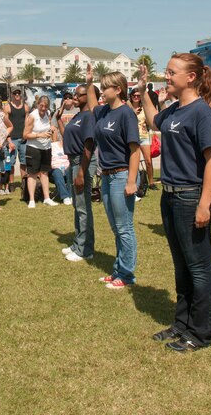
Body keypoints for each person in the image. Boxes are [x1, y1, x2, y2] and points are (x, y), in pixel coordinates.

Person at [138, 57, 211, 352]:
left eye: (172, 73)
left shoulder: (202, 113)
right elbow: (152, 120)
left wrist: (204, 204)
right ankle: (182, 324)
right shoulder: (175, 110)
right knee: (181, 266)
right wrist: (143, 88)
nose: (167, 76)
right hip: (170, 196)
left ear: (191, 77)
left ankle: (200, 333)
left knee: (198, 268)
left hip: (190, 197)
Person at [86, 67, 140, 289]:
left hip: (121, 175)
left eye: (105, 86)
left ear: (118, 89)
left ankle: (127, 274)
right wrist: (89, 82)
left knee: (124, 227)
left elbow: (135, 150)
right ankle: (118, 269)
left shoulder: (126, 114)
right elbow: (91, 102)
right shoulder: (103, 111)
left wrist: (131, 181)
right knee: (115, 227)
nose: (101, 90)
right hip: (106, 177)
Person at [62, 84, 98, 262]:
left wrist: (81, 173)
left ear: (88, 96)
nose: (74, 97)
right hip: (73, 162)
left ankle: (85, 249)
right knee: (78, 206)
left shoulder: (89, 116)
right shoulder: (78, 115)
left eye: (78, 95)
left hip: (81, 163)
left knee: (83, 208)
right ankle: (77, 243)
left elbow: (88, 146)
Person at [23, 95, 58, 208]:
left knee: (44, 172)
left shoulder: (47, 114)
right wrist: (39, 135)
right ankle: (32, 200)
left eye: (46, 106)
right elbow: (25, 135)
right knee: (32, 173)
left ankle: (47, 198)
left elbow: (48, 126)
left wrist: (51, 129)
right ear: (37, 105)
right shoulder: (32, 116)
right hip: (33, 148)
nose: (43, 108)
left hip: (46, 147)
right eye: (41, 106)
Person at [129, 88, 157, 190]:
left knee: (148, 161)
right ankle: (135, 182)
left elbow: (150, 121)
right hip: (132, 137)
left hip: (143, 136)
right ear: (131, 97)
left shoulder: (144, 108)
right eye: (134, 96)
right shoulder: (127, 108)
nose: (136, 97)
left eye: (138, 95)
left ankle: (151, 182)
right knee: (133, 161)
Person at [7, 88, 29, 193]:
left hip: (23, 138)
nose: (17, 95)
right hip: (12, 138)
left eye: (18, 93)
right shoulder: (7, 107)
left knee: (24, 162)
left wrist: (26, 135)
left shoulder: (25, 107)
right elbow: (5, 124)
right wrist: (8, 139)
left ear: (21, 95)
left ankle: (24, 183)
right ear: (12, 95)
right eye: (15, 93)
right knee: (10, 163)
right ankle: (10, 183)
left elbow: (27, 122)